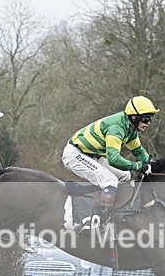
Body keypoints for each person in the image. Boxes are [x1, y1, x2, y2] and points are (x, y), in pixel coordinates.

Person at [62, 96, 159, 230]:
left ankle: (113, 211)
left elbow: (139, 152)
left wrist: (152, 164)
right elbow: (113, 159)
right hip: (75, 154)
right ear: (134, 117)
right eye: (145, 119)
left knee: (125, 176)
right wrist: (138, 166)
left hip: (92, 156)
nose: (148, 123)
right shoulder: (117, 127)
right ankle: (103, 222)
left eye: (150, 119)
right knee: (110, 181)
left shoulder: (130, 129)